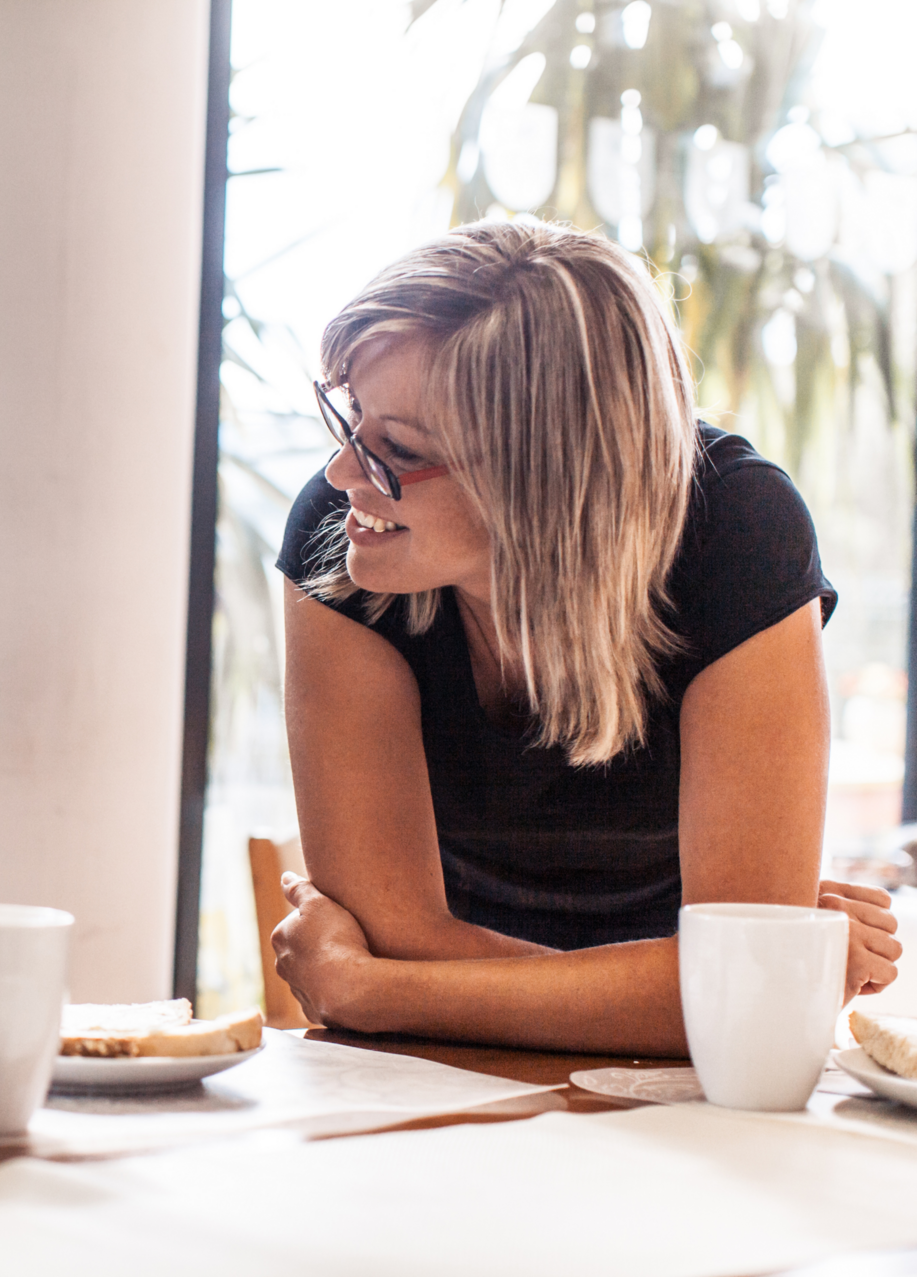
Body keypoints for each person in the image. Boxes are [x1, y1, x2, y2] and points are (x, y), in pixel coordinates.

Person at [270, 221, 899, 1056]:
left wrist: (372, 988)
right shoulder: (346, 536)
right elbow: (742, 990)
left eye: (398, 449)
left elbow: (747, 1003)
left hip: (664, 1101)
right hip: (436, 1065)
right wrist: (695, 986)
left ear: (542, 477)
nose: (344, 473)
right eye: (349, 417)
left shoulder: (737, 532)